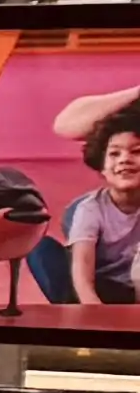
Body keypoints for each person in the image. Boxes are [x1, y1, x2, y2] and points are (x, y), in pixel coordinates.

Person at [38, 89, 140, 311]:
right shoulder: (91, 209)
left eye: (135, 152)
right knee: (43, 247)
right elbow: (66, 125)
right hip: (103, 286)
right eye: (115, 154)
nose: (125, 160)